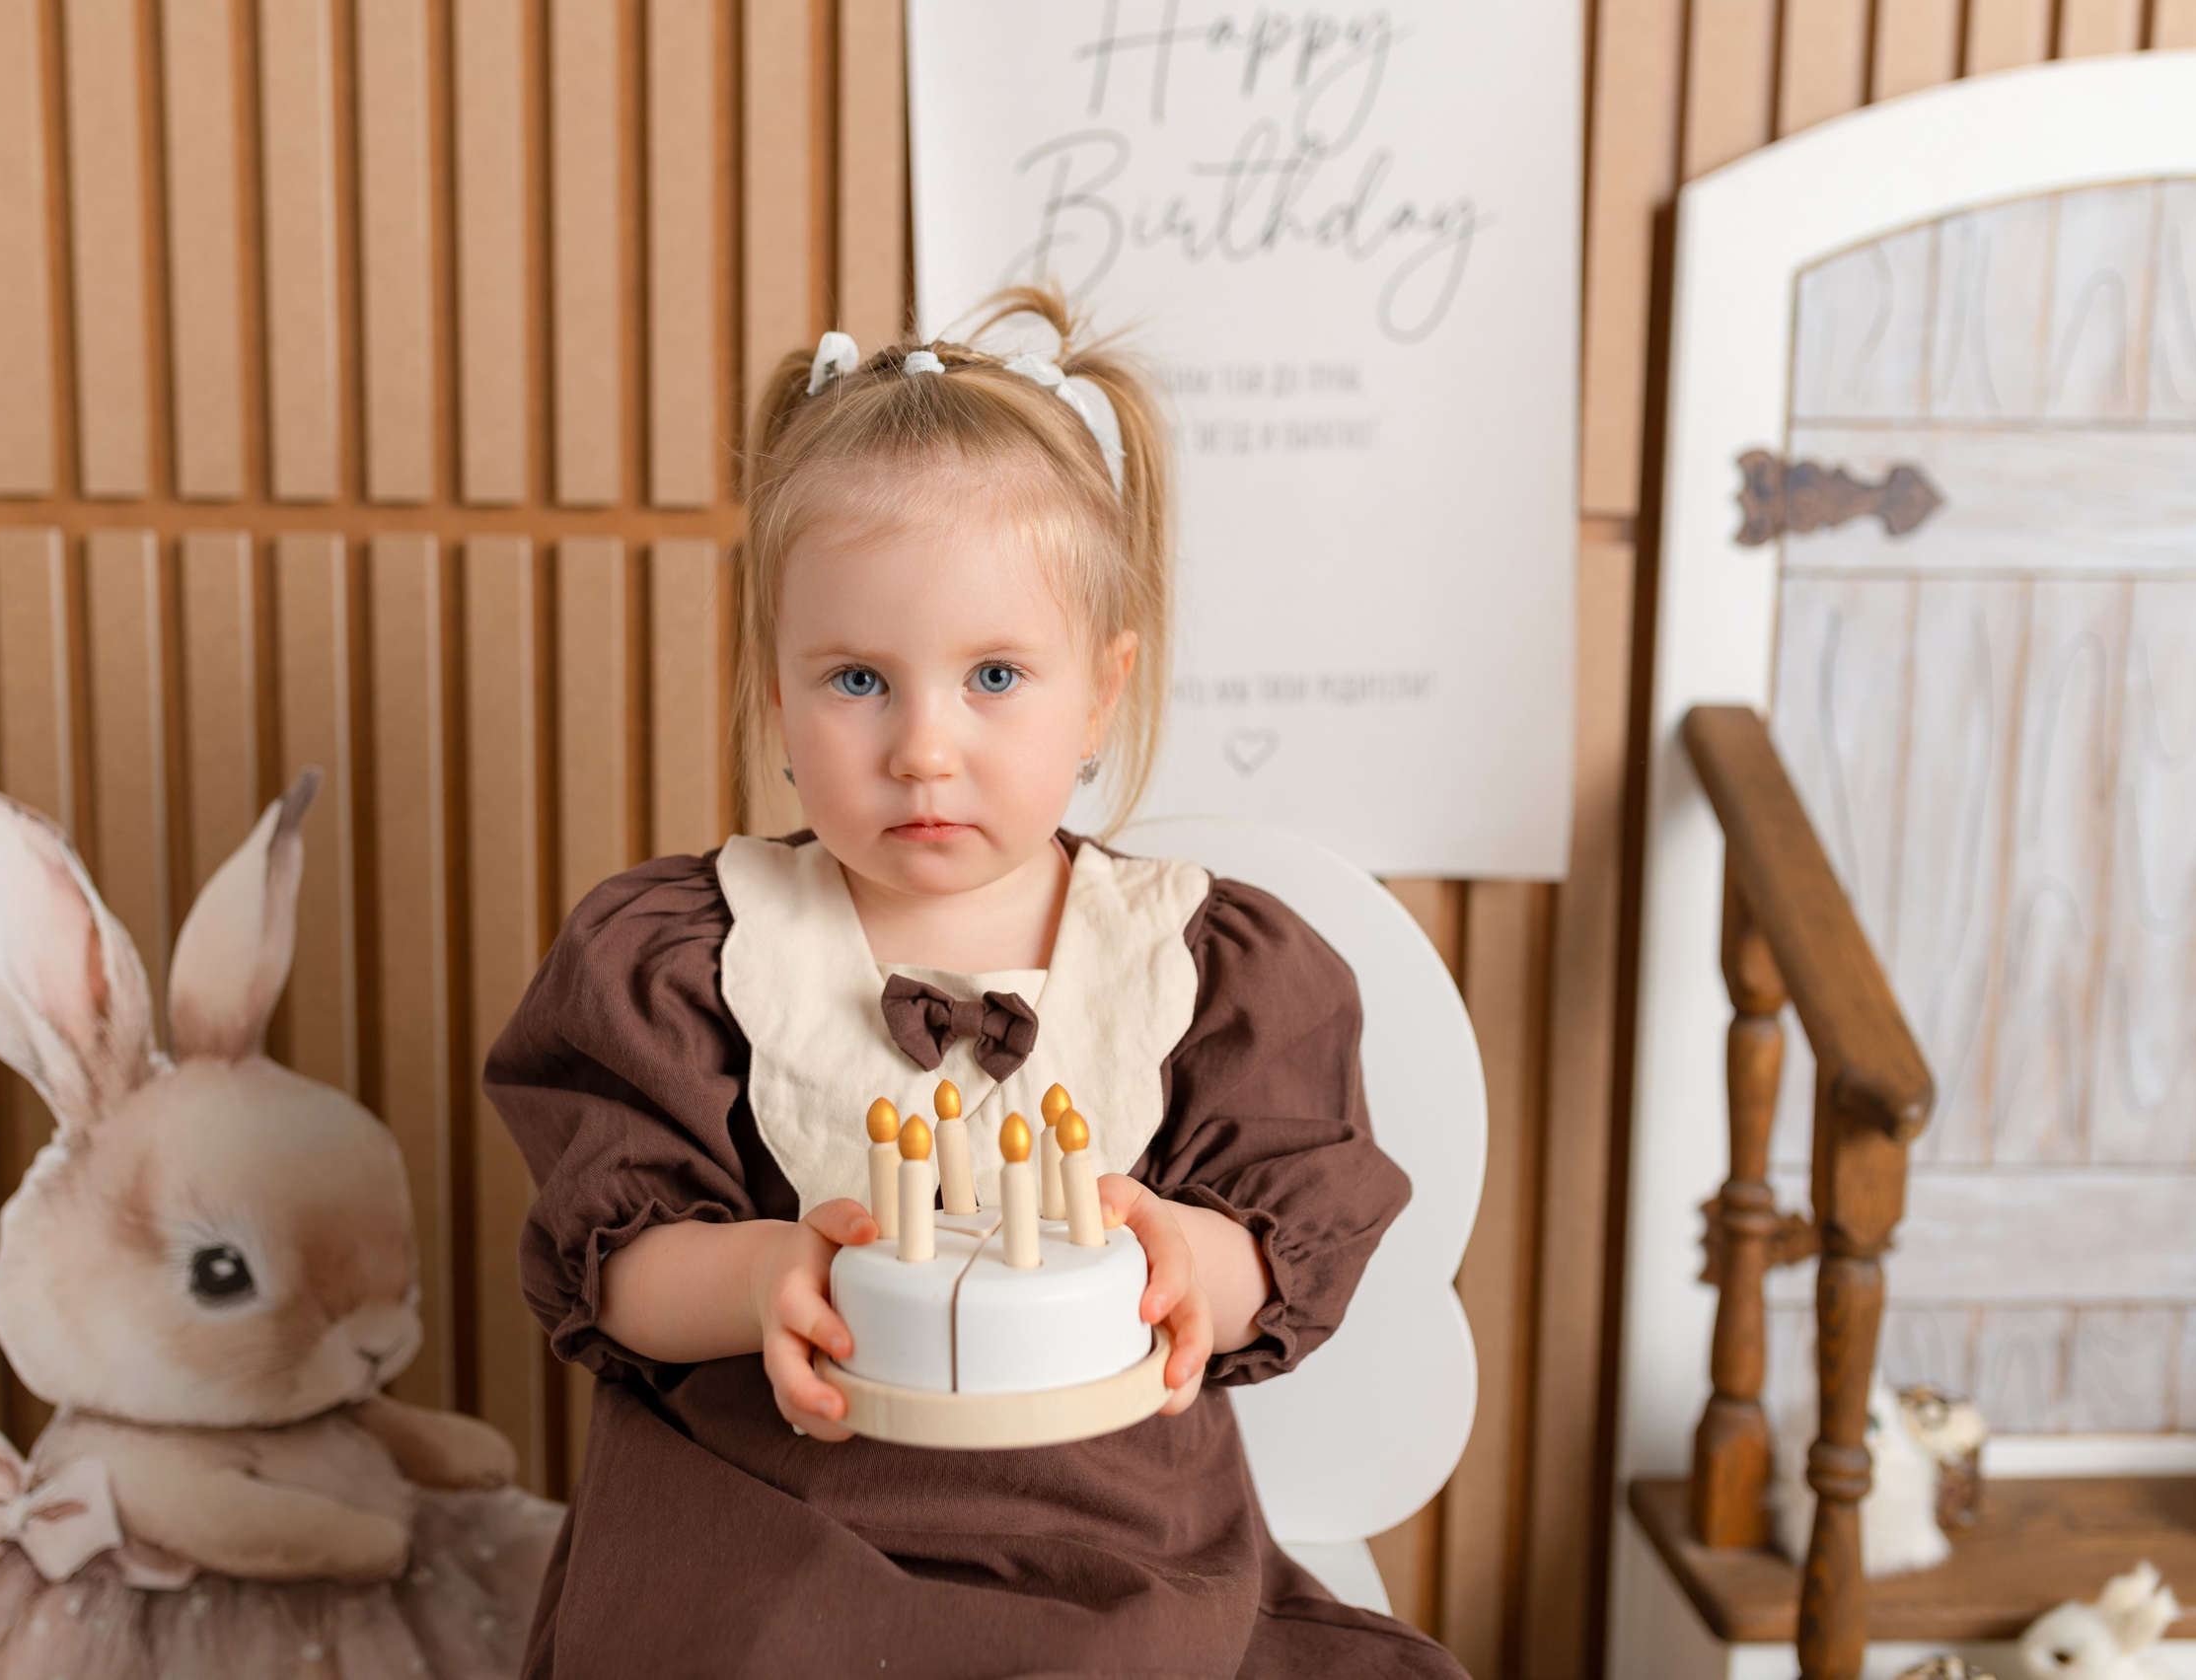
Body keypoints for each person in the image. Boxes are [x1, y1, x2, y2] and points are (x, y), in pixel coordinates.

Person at [484, 287, 1466, 1679]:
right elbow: (614, 1265)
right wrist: (764, 1271)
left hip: (1112, 1531)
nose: (925, 748)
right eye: (858, 681)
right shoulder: (685, 955)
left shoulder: (1202, 964)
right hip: (774, 1518)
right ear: (775, 693)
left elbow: (1293, 1231)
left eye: (996, 674)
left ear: (1103, 693)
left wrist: (1197, 1259)